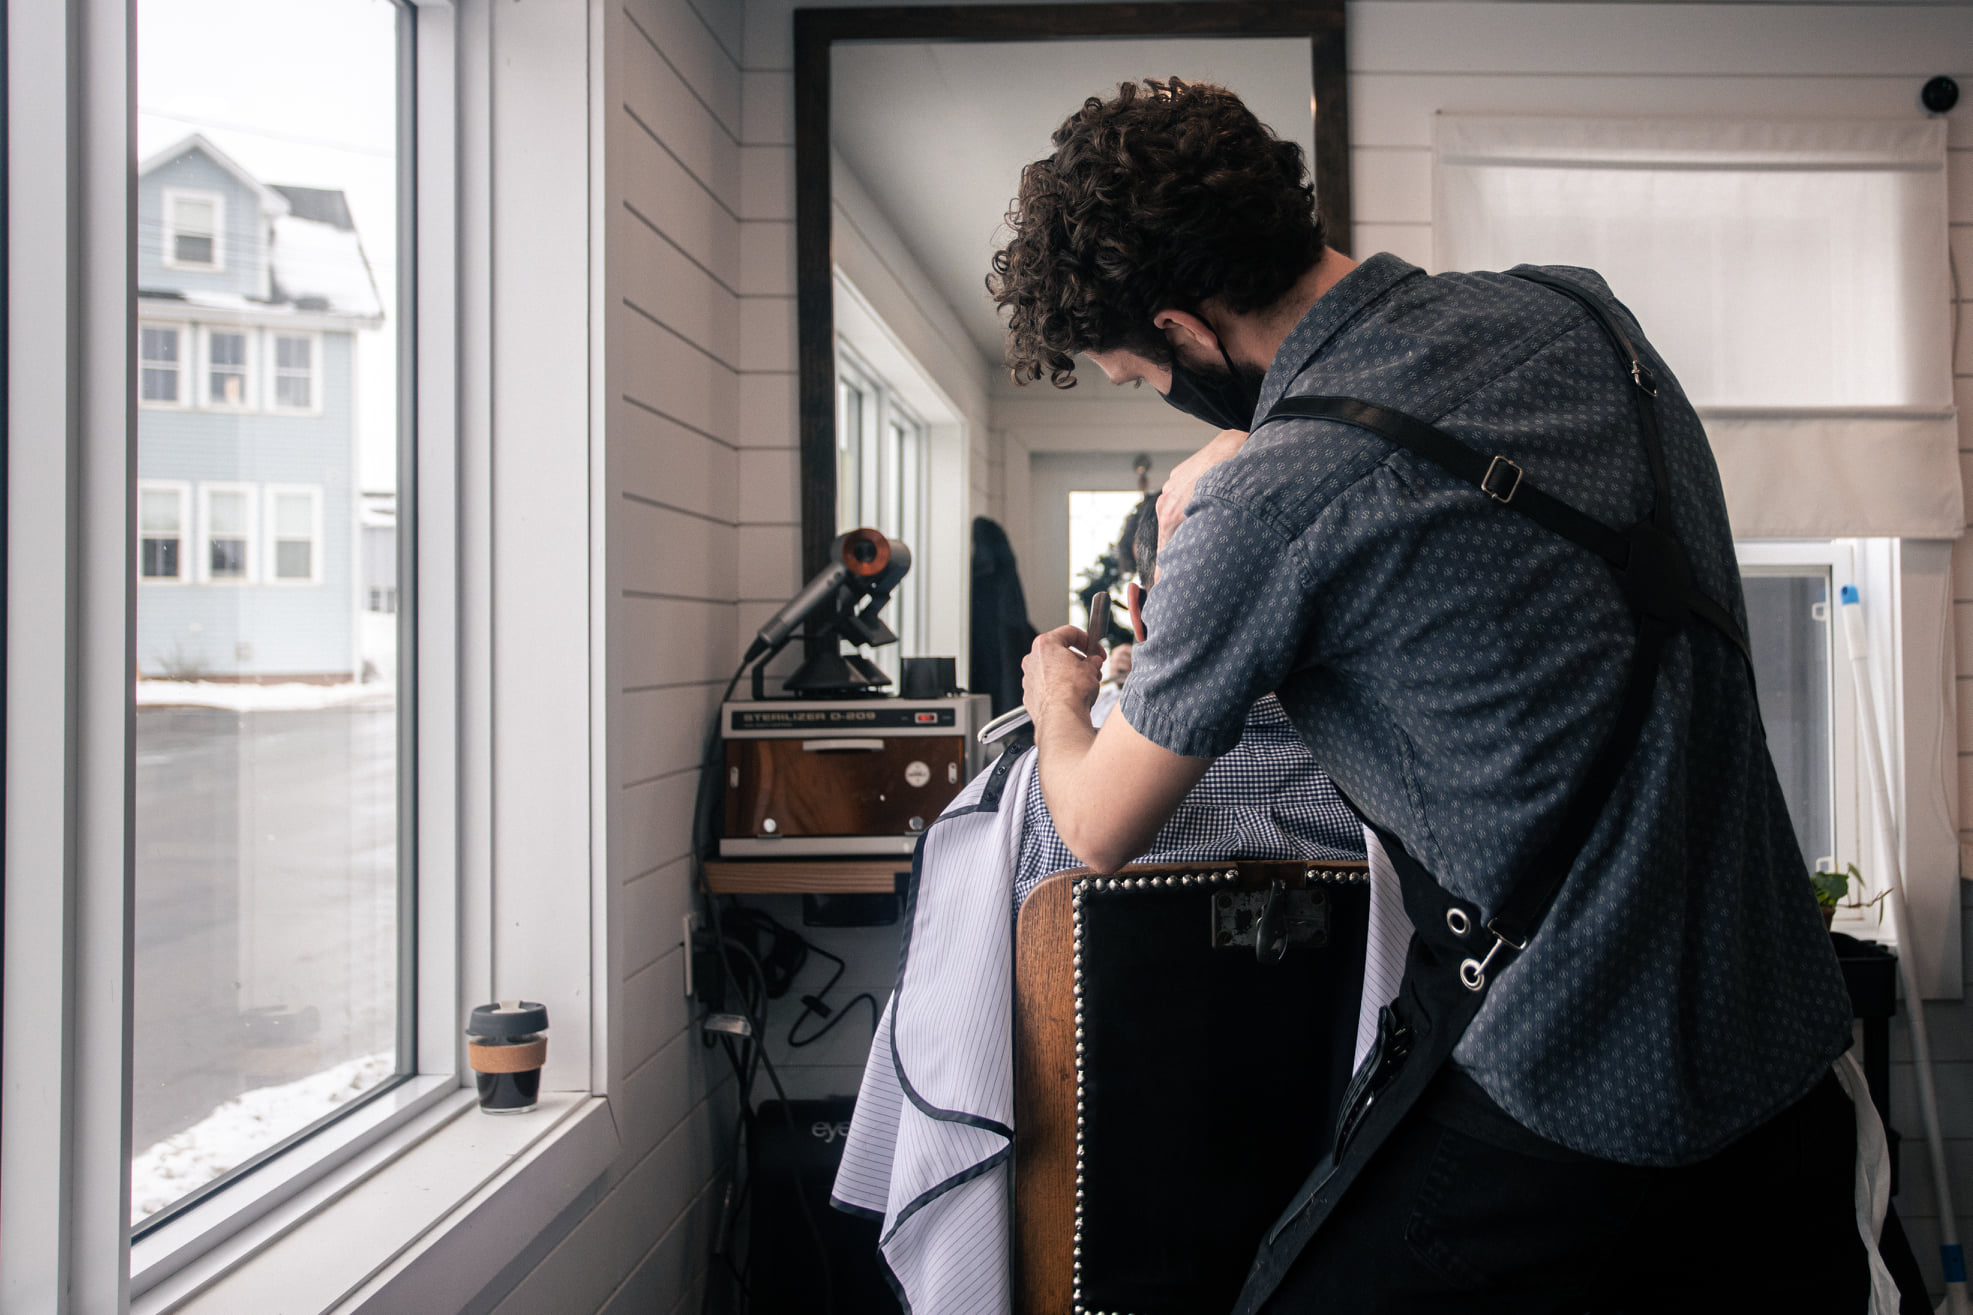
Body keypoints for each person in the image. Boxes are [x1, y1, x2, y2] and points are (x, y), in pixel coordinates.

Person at [989, 78, 1891, 1312]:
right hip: (1785, 1064)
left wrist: (1055, 696)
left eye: (1137, 374)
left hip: (1566, 1095)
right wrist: (1249, 449)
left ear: (1183, 330)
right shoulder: (1582, 314)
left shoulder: (1267, 505)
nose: (1155, 393)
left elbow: (1096, 826)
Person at [831, 494, 1393, 1314]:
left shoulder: (1026, 800)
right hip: (1345, 1246)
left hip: (1089, 1251)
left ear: (1136, 604)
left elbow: (950, 1053)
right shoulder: (1392, 793)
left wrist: (1059, 711)